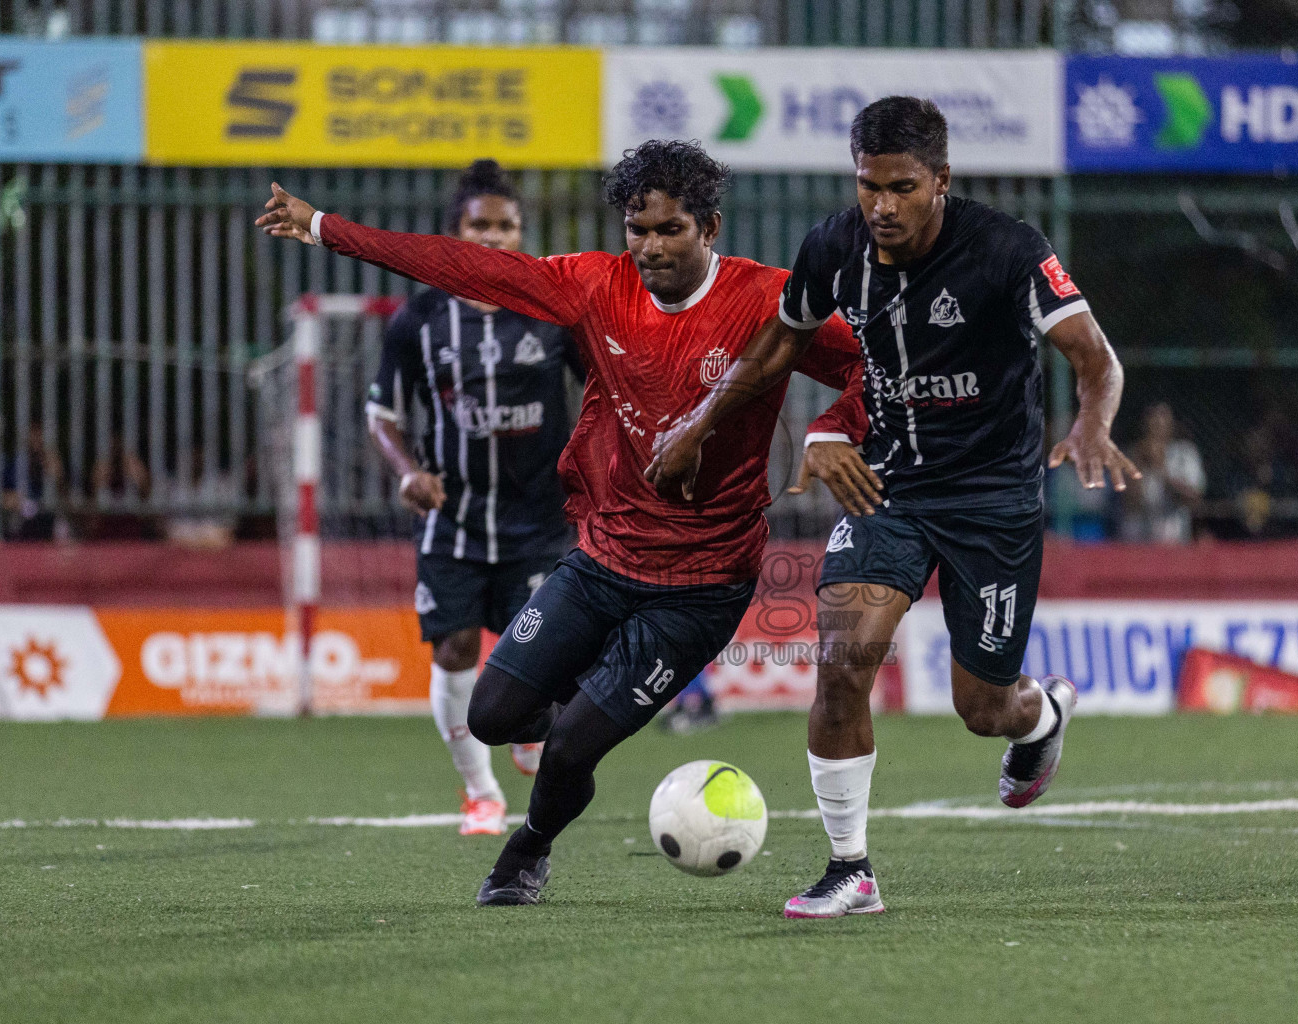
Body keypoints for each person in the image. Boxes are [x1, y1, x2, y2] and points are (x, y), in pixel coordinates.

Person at [257, 139, 866, 906]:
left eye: (670, 230)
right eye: (637, 230)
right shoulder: (590, 286)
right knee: (492, 717)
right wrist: (325, 228)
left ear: (709, 228)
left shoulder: (767, 301)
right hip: (604, 558)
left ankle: (526, 850)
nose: (649, 247)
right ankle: (584, 696)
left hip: (702, 586)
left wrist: (833, 430)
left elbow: (866, 364)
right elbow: (461, 267)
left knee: (571, 744)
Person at [647, 97, 1139, 918]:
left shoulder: (1009, 249)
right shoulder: (835, 246)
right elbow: (780, 343)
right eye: (868, 185)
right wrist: (699, 424)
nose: (881, 205)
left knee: (983, 709)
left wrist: (1093, 422)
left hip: (993, 500)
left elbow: (1095, 358)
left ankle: (1040, 713)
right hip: (890, 486)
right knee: (840, 665)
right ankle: (851, 870)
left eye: (902, 186)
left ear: (941, 180)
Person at [365, 160, 583, 837]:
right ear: (455, 233)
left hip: (540, 521)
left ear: (522, 232)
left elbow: (602, 389)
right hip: (453, 518)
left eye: (507, 225)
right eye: (480, 226)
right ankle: (480, 794)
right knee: (456, 648)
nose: (494, 237)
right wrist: (406, 471)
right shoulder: (421, 317)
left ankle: (524, 727)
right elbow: (381, 412)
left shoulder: (552, 309)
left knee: (539, 658)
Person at [1118, 402, 1204, 544]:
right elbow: (1130, 502)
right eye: (1152, 419)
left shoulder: (1184, 453)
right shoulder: (1133, 454)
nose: (1156, 425)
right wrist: (1139, 464)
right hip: (1138, 540)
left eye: (1162, 419)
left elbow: (1194, 498)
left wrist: (1160, 469)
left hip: (1174, 539)